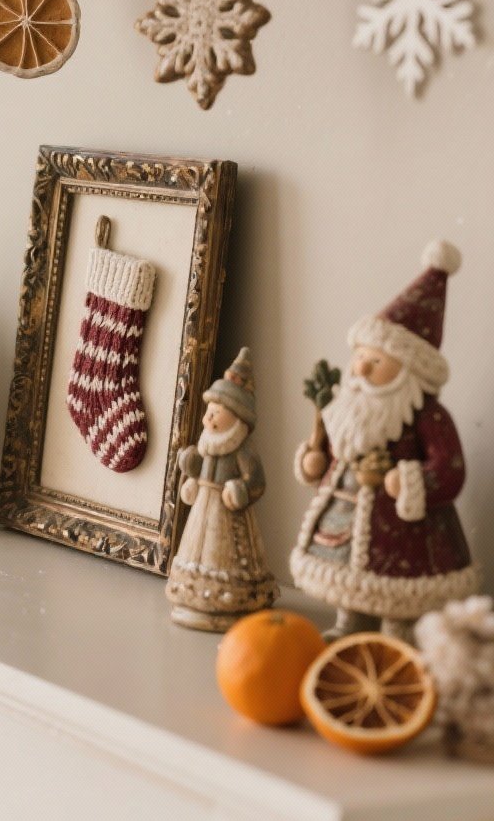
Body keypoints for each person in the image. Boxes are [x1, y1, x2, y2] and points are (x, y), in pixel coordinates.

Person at [291, 241, 477, 642]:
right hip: (343, 521)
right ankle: (350, 622)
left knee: (397, 593)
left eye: (376, 361)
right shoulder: (346, 407)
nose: (361, 368)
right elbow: (329, 448)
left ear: (409, 371)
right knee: (350, 583)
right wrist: (313, 460)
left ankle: (398, 630)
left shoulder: (427, 416)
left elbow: (450, 469)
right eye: (361, 356)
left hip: (405, 535)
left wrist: (407, 481)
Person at [166, 347, 278, 630]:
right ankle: (192, 594)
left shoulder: (242, 452)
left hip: (228, 517)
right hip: (202, 508)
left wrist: (240, 489)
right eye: (209, 412)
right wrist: (189, 465)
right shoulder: (208, 445)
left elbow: (256, 482)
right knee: (196, 549)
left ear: (237, 419)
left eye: (217, 413)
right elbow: (196, 465)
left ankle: (229, 598)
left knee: (222, 553)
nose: (209, 419)